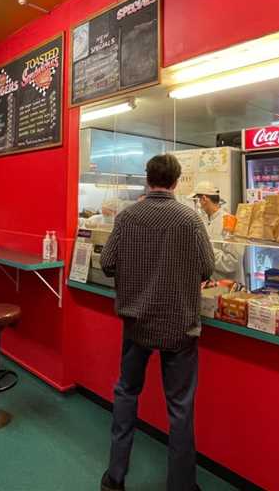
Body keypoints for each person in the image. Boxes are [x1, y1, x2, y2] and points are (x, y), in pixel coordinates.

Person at [100, 154, 214, 491]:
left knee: (126, 393)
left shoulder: (128, 217)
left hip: (137, 325)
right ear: (177, 182)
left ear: (147, 179)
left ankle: (115, 477)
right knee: (179, 408)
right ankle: (181, 486)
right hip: (179, 325)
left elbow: (107, 263)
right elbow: (207, 268)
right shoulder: (190, 219)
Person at [192, 181, 245, 284]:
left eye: (196, 201)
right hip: (211, 286)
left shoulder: (230, 222)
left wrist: (204, 250)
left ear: (204, 199)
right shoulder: (204, 220)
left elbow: (231, 262)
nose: (196, 205)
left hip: (228, 289)